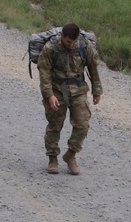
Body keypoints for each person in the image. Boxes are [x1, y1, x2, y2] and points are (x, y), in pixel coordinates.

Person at [38, 23, 103, 175]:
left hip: (78, 90)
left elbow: (93, 68)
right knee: (55, 125)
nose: (71, 45)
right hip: (56, 90)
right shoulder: (50, 48)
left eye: (73, 42)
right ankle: (52, 158)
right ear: (62, 35)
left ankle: (71, 155)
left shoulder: (84, 45)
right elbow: (44, 73)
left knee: (83, 124)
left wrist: (97, 90)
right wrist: (49, 95)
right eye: (68, 42)